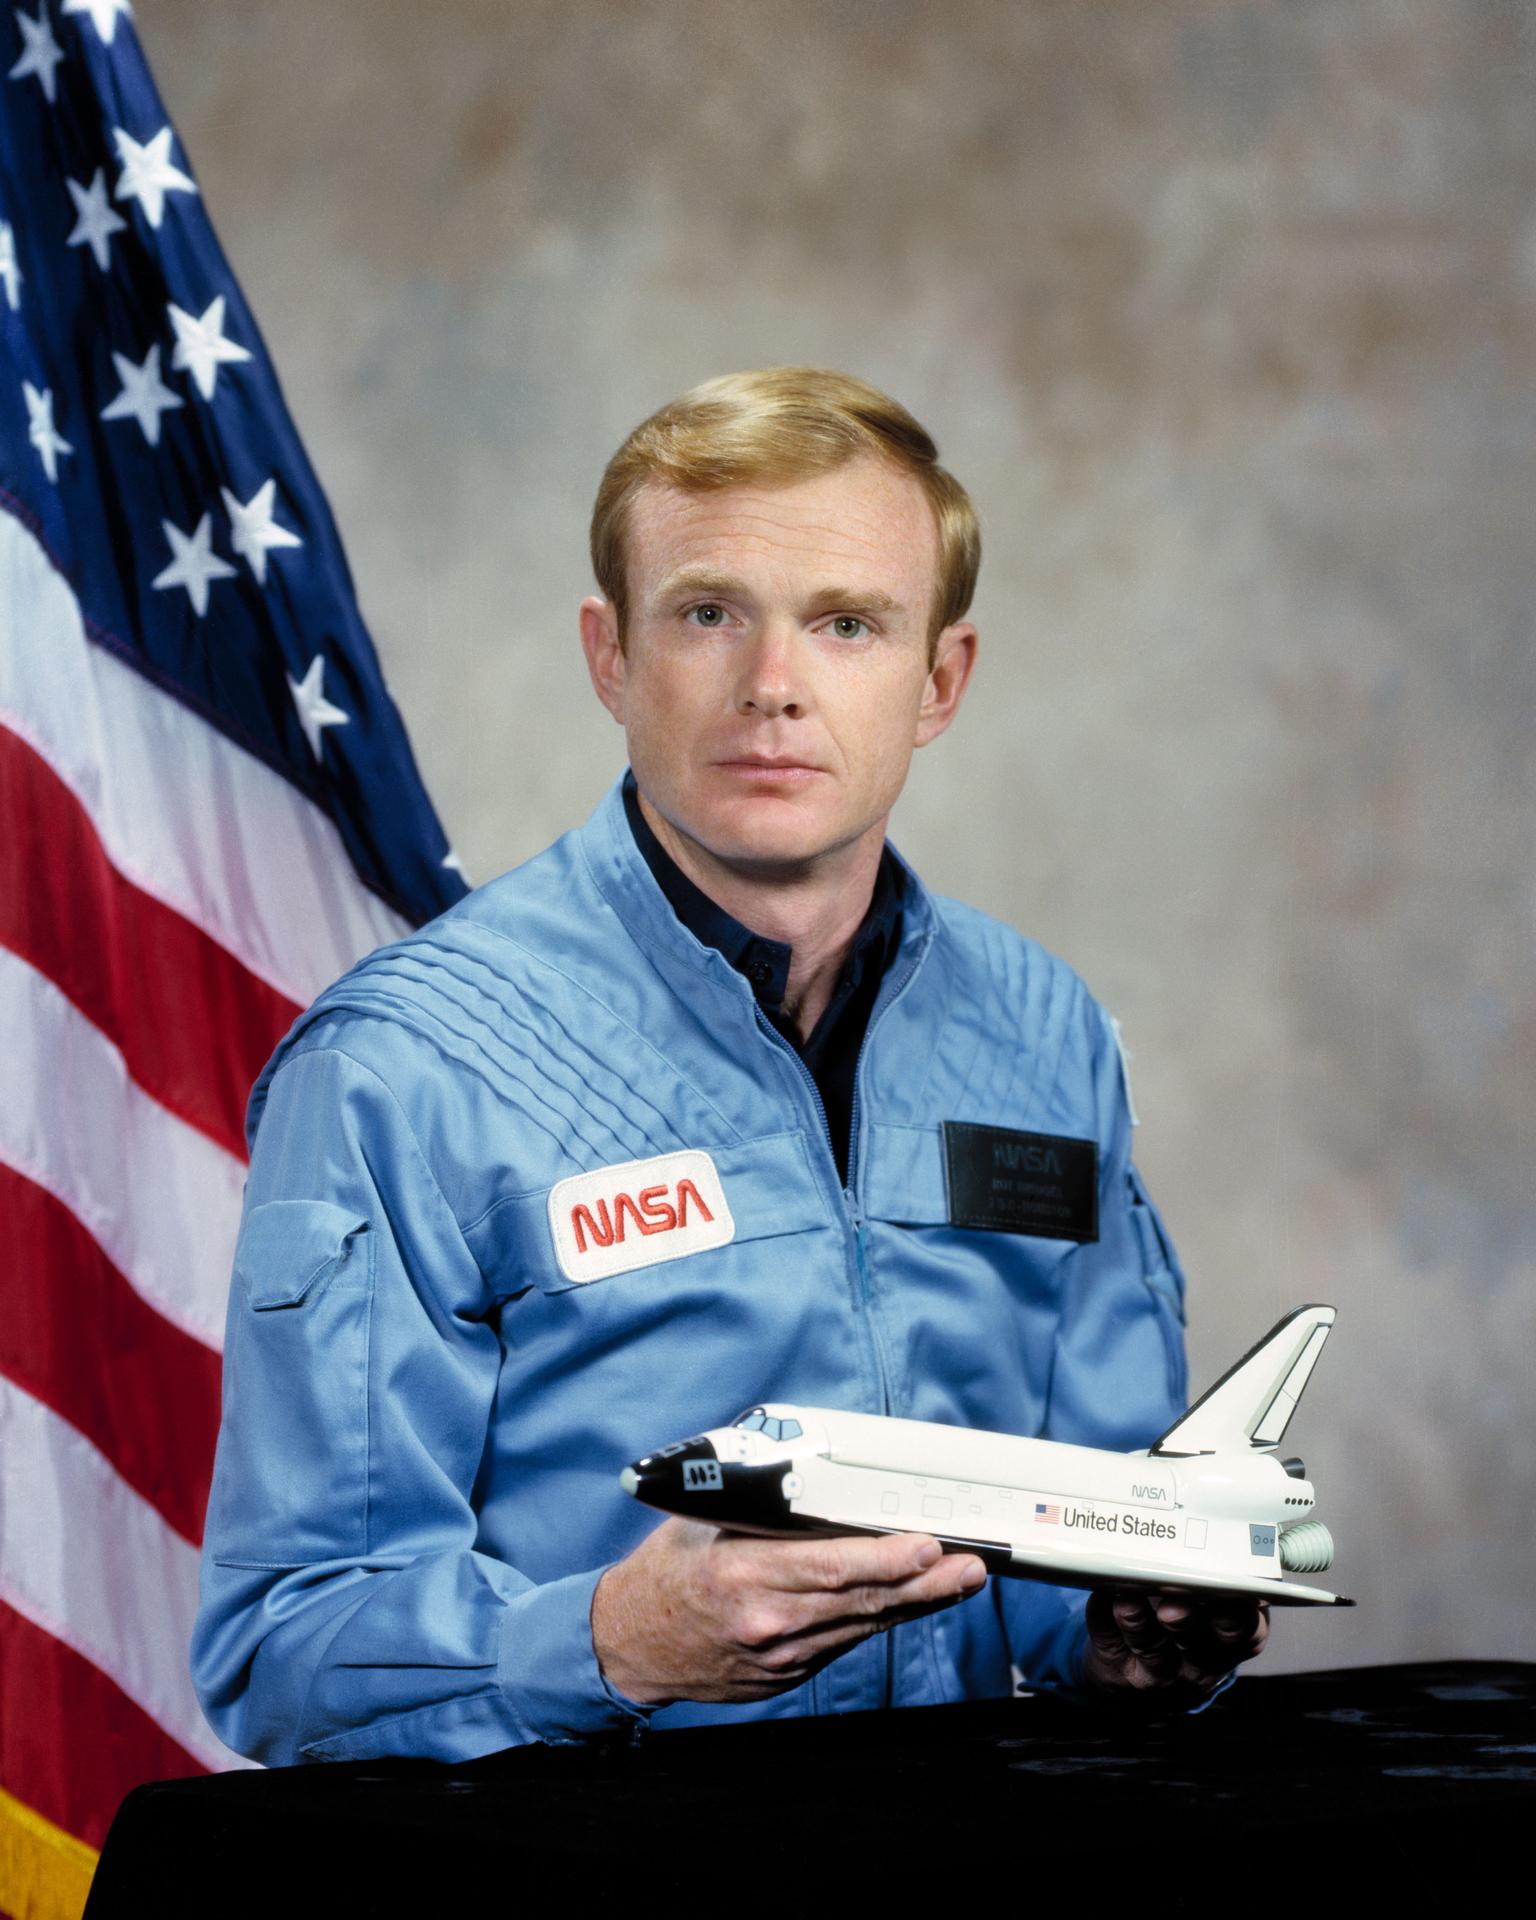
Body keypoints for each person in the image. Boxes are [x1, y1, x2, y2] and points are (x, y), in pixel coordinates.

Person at [191, 368, 1267, 1765]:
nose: (773, 687)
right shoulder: (407, 1067)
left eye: (847, 625)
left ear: (938, 680)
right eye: (709, 614)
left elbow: (1087, 1538)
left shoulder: (1042, 1033)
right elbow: (283, 1645)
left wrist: (1130, 1637)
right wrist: (612, 1642)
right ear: (610, 658)